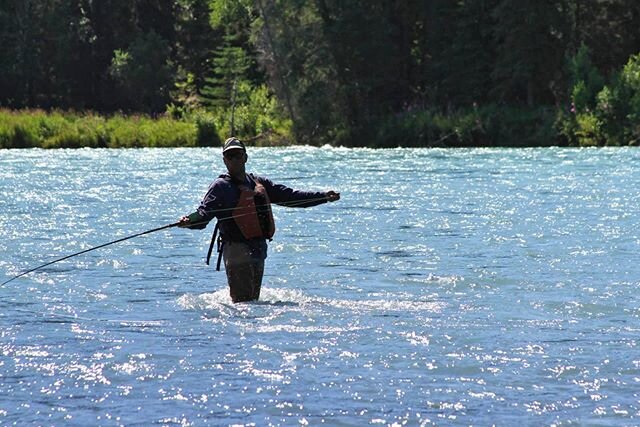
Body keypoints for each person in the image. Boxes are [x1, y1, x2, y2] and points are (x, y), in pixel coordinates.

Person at [178, 137, 340, 303]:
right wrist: (189, 220)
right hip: (237, 252)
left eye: (238, 155)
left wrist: (323, 197)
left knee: (253, 303)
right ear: (224, 160)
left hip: (258, 250)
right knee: (243, 305)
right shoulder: (220, 187)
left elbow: (291, 197)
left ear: (245, 157)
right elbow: (203, 215)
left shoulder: (258, 183)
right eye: (230, 156)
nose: (234, 159)